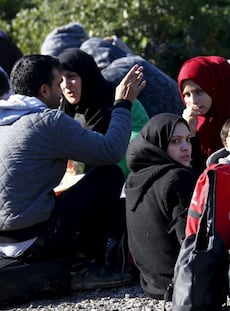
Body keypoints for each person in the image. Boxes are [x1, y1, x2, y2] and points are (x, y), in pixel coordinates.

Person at [0, 54, 145, 290]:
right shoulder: (47, 121)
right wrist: (123, 104)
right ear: (44, 90)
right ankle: (85, 266)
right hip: (30, 239)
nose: (63, 89)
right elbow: (111, 151)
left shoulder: (3, 117)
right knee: (108, 175)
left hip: (3, 239)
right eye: (59, 84)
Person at [124, 113, 196, 299]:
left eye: (188, 140)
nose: (185, 147)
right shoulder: (177, 177)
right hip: (182, 282)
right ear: (159, 142)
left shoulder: (135, 177)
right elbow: (190, 242)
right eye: (175, 141)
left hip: (152, 284)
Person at [58, 48, 150, 177]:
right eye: (60, 79)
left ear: (86, 76)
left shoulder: (121, 99)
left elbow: (140, 140)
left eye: (71, 77)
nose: (66, 85)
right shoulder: (64, 110)